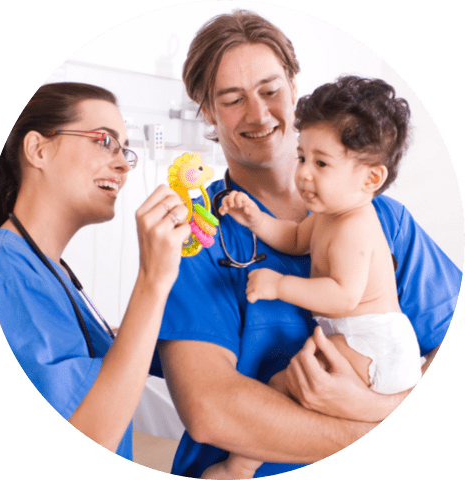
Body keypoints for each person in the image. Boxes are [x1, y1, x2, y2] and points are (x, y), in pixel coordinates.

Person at [150, 10, 462, 479]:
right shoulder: (197, 236)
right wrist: (374, 425)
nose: (258, 114)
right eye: (233, 99)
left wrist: (377, 404)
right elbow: (209, 409)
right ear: (207, 112)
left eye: (271, 90)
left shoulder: (385, 222)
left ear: (295, 87)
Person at [210, 75, 423, 479]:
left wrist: (279, 285)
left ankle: (238, 467)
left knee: (286, 388)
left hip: (373, 343)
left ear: (370, 179)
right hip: (354, 335)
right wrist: (254, 219)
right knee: (284, 386)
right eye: (302, 157)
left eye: (321, 163)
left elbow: (342, 296)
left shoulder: (356, 228)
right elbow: (292, 239)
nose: (304, 173)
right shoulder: (326, 215)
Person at [0, 82, 190, 461]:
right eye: (103, 141)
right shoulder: (0, 265)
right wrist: (153, 279)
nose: (123, 164)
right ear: (38, 149)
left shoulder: (52, 270)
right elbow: (90, 438)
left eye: (124, 150)